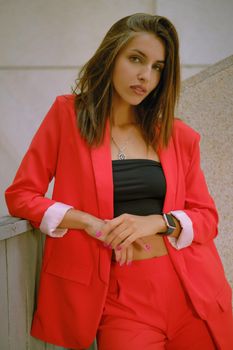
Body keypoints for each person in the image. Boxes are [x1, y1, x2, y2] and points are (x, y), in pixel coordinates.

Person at [5, 13, 233, 350]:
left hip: (191, 288)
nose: (145, 75)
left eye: (158, 67)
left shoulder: (177, 136)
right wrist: (91, 223)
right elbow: (21, 195)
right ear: (111, 56)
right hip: (120, 299)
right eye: (136, 59)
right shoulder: (69, 117)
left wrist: (156, 222)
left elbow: (207, 219)